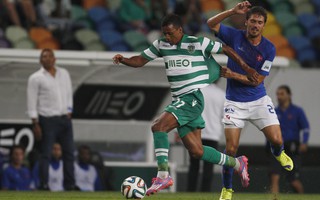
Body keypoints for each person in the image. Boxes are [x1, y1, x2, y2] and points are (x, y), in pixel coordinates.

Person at [112, 13, 254, 196]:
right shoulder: (161, 45)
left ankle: (163, 175)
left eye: (170, 33)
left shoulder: (197, 43)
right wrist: (123, 59)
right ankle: (237, 163)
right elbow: (140, 60)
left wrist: (246, 68)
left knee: (158, 127)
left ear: (180, 30)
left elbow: (226, 49)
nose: (167, 37)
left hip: (191, 98)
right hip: (179, 99)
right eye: (164, 34)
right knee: (196, 151)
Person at [207, 2, 294, 199]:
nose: (255, 25)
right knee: (230, 149)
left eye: (259, 22)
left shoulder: (269, 49)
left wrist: (232, 75)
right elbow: (211, 23)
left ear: (264, 25)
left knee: (278, 140)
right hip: (234, 103)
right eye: (252, 21)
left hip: (258, 101)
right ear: (246, 22)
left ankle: (279, 153)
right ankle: (227, 189)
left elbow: (257, 81)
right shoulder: (234, 35)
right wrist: (232, 11)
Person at [27, 48, 76, 191]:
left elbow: (68, 93)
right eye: (43, 57)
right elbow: (31, 101)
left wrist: (69, 110)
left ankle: (70, 185)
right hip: (47, 120)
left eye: (49, 56)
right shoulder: (35, 78)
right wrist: (35, 123)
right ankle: (44, 184)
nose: (46, 59)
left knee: (69, 153)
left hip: (64, 119)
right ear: (40, 60)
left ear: (54, 59)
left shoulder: (64, 73)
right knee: (46, 154)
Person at [268, 85, 310, 194]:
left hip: (292, 147)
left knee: (293, 180)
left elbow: (305, 127)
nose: (279, 97)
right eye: (277, 94)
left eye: (282, 94)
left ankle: (301, 196)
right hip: (277, 147)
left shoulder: (297, 111)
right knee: (275, 175)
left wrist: (304, 142)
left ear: (289, 95)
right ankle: (274, 197)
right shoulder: (274, 112)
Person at [187, 82, 225, 192]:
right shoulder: (221, 94)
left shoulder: (196, 92)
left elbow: (188, 112)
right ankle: (205, 192)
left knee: (194, 165)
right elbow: (225, 116)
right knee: (208, 167)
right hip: (213, 134)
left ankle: (190, 191)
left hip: (195, 133)